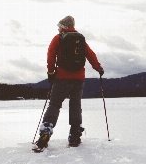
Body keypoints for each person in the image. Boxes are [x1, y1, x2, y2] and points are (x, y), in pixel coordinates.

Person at [35, 16, 104, 148]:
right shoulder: (80, 39)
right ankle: (75, 134)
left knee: (55, 104)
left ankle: (46, 130)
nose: (58, 28)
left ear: (63, 26)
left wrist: (50, 73)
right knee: (75, 105)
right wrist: (98, 68)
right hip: (78, 78)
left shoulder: (59, 38)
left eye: (59, 26)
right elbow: (90, 54)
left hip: (62, 77)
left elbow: (50, 55)